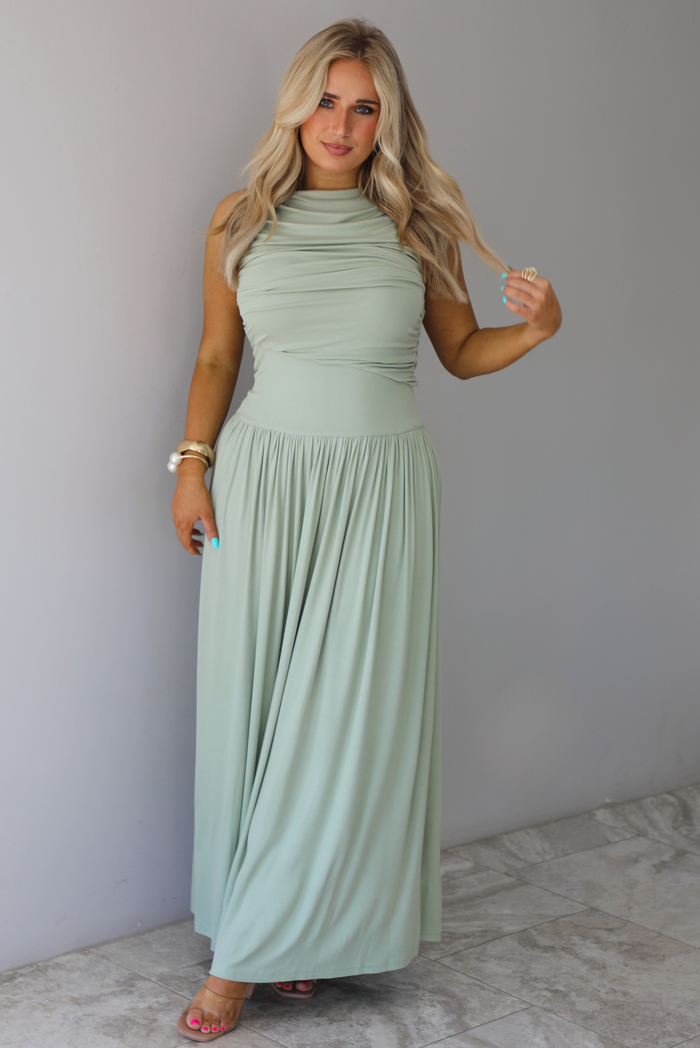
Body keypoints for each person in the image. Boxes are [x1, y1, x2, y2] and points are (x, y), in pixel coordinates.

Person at [168, 17, 561, 1042]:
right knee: (259, 707)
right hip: (262, 483)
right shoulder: (236, 221)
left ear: (387, 119)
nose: (340, 124)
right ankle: (277, 931)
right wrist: (190, 469)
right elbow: (217, 360)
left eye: (364, 106)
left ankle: (263, 951)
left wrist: (539, 330)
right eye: (326, 100)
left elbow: (463, 352)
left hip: (381, 490)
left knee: (340, 720)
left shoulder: (417, 227)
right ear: (295, 105)